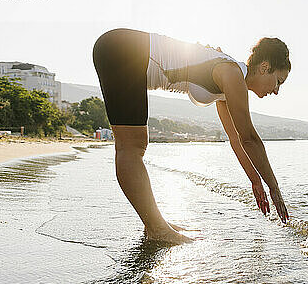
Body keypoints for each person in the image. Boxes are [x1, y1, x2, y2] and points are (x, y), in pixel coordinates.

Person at [92, 28, 290, 244]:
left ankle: (155, 225)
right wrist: (274, 188)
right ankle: (157, 229)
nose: (277, 91)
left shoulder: (231, 80)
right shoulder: (232, 74)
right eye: (278, 81)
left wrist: (256, 181)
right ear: (265, 67)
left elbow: (236, 138)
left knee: (132, 146)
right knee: (133, 146)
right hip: (123, 50)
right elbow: (249, 137)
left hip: (121, 50)